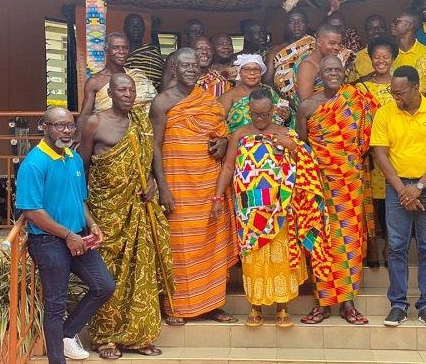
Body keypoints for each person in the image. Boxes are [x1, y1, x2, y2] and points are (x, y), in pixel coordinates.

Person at [211, 87, 332, 327]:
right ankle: (255, 308)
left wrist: (293, 147)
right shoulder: (239, 135)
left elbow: (309, 166)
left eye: (265, 114)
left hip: (280, 209)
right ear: (249, 110)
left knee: (281, 258)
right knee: (253, 258)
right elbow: (228, 167)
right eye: (255, 114)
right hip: (249, 209)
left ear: (272, 111)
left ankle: (282, 309)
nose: (260, 119)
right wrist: (217, 198)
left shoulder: (286, 133)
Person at [79, 74, 175, 359]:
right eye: (121, 90)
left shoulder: (141, 122)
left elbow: (148, 157)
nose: (127, 95)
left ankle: (139, 336)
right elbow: (81, 165)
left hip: (138, 209)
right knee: (108, 274)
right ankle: (106, 338)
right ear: (110, 92)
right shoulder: (95, 123)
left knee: (140, 271)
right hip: (106, 211)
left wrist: (154, 183)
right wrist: (81, 208)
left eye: (131, 90)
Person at [16, 107, 115, 364]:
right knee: (56, 304)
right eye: (59, 125)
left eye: (70, 125)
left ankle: (66, 335)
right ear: (44, 127)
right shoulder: (34, 162)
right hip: (48, 242)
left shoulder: (72, 157)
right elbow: (32, 211)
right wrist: (68, 234)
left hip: (78, 237)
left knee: (104, 285)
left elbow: (80, 200)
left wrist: (92, 225)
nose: (66, 130)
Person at [150, 48, 238, 325]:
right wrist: (162, 187)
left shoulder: (210, 102)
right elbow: (154, 145)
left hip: (209, 184)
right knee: (180, 245)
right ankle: (177, 306)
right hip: (177, 183)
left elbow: (222, 134)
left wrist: (224, 142)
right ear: (174, 68)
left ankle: (212, 305)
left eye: (194, 66)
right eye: (184, 65)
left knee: (213, 243)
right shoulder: (161, 102)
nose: (190, 70)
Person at [371, 65, 426, 328]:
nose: (396, 97)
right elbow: (380, 154)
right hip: (397, 188)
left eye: (401, 92)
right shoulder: (384, 113)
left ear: (416, 88)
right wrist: (402, 189)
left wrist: (418, 186)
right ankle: (398, 305)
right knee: (396, 246)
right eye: (393, 92)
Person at [296, 55, 374, 325]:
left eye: (337, 70)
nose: (332, 74)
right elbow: (302, 149)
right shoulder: (307, 106)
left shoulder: (355, 99)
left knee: (347, 241)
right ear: (320, 73)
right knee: (320, 241)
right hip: (317, 184)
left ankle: (348, 302)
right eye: (327, 69)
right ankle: (322, 302)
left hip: (349, 183)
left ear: (344, 73)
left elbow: (365, 140)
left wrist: (345, 164)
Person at [355, 36, 398, 268]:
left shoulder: (400, 84)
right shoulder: (360, 86)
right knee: (370, 204)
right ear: (370, 59)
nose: (381, 60)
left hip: (394, 152)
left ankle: (390, 245)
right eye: (376, 57)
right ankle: (371, 247)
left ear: (393, 58)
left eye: (386, 56)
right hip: (367, 154)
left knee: (392, 201)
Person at [75, 33, 156, 145]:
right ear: (106, 51)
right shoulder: (95, 81)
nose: (121, 52)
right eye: (116, 48)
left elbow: (151, 109)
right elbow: (85, 115)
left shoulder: (137, 77)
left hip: (139, 137)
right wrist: (77, 141)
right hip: (107, 137)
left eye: (125, 47)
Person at [218, 54, 291, 132]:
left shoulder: (269, 91)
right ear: (239, 72)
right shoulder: (229, 96)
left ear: (261, 73)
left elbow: (284, 120)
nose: (252, 73)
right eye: (247, 69)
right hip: (240, 141)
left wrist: (287, 117)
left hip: (274, 140)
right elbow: (216, 123)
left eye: (256, 70)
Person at [264, 8, 316, 103]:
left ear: (307, 24)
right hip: (283, 102)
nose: (296, 25)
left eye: (300, 21)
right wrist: (284, 100)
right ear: (286, 26)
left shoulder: (314, 45)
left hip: (312, 100)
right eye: (292, 21)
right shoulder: (276, 50)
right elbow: (267, 81)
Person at [162, 36, 230, 97]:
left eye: (209, 48)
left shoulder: (221, 82)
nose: (204, 52)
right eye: (199, 48)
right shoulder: (178, 82)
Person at [296, 23, 343, 103]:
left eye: (339, 44)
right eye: (332, 43)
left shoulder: (333, 62)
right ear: (319, 42)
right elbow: (306, 104)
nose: (337, 48)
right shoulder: (307, 67)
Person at [123, 13, 165, 90]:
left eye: (139, 25)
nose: (136, 28)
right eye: (132, 25)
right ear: (124, 29)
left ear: (144, 29)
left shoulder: (152, 53)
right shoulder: (120, 55)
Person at [349, 14, 388, 82]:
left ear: (386, 30)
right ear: (365, 32)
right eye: (371, 29)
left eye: (380, 27)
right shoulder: (356, 58)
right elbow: (348, 87)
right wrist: (364, 80)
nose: (376, 31)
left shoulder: (396, 53)